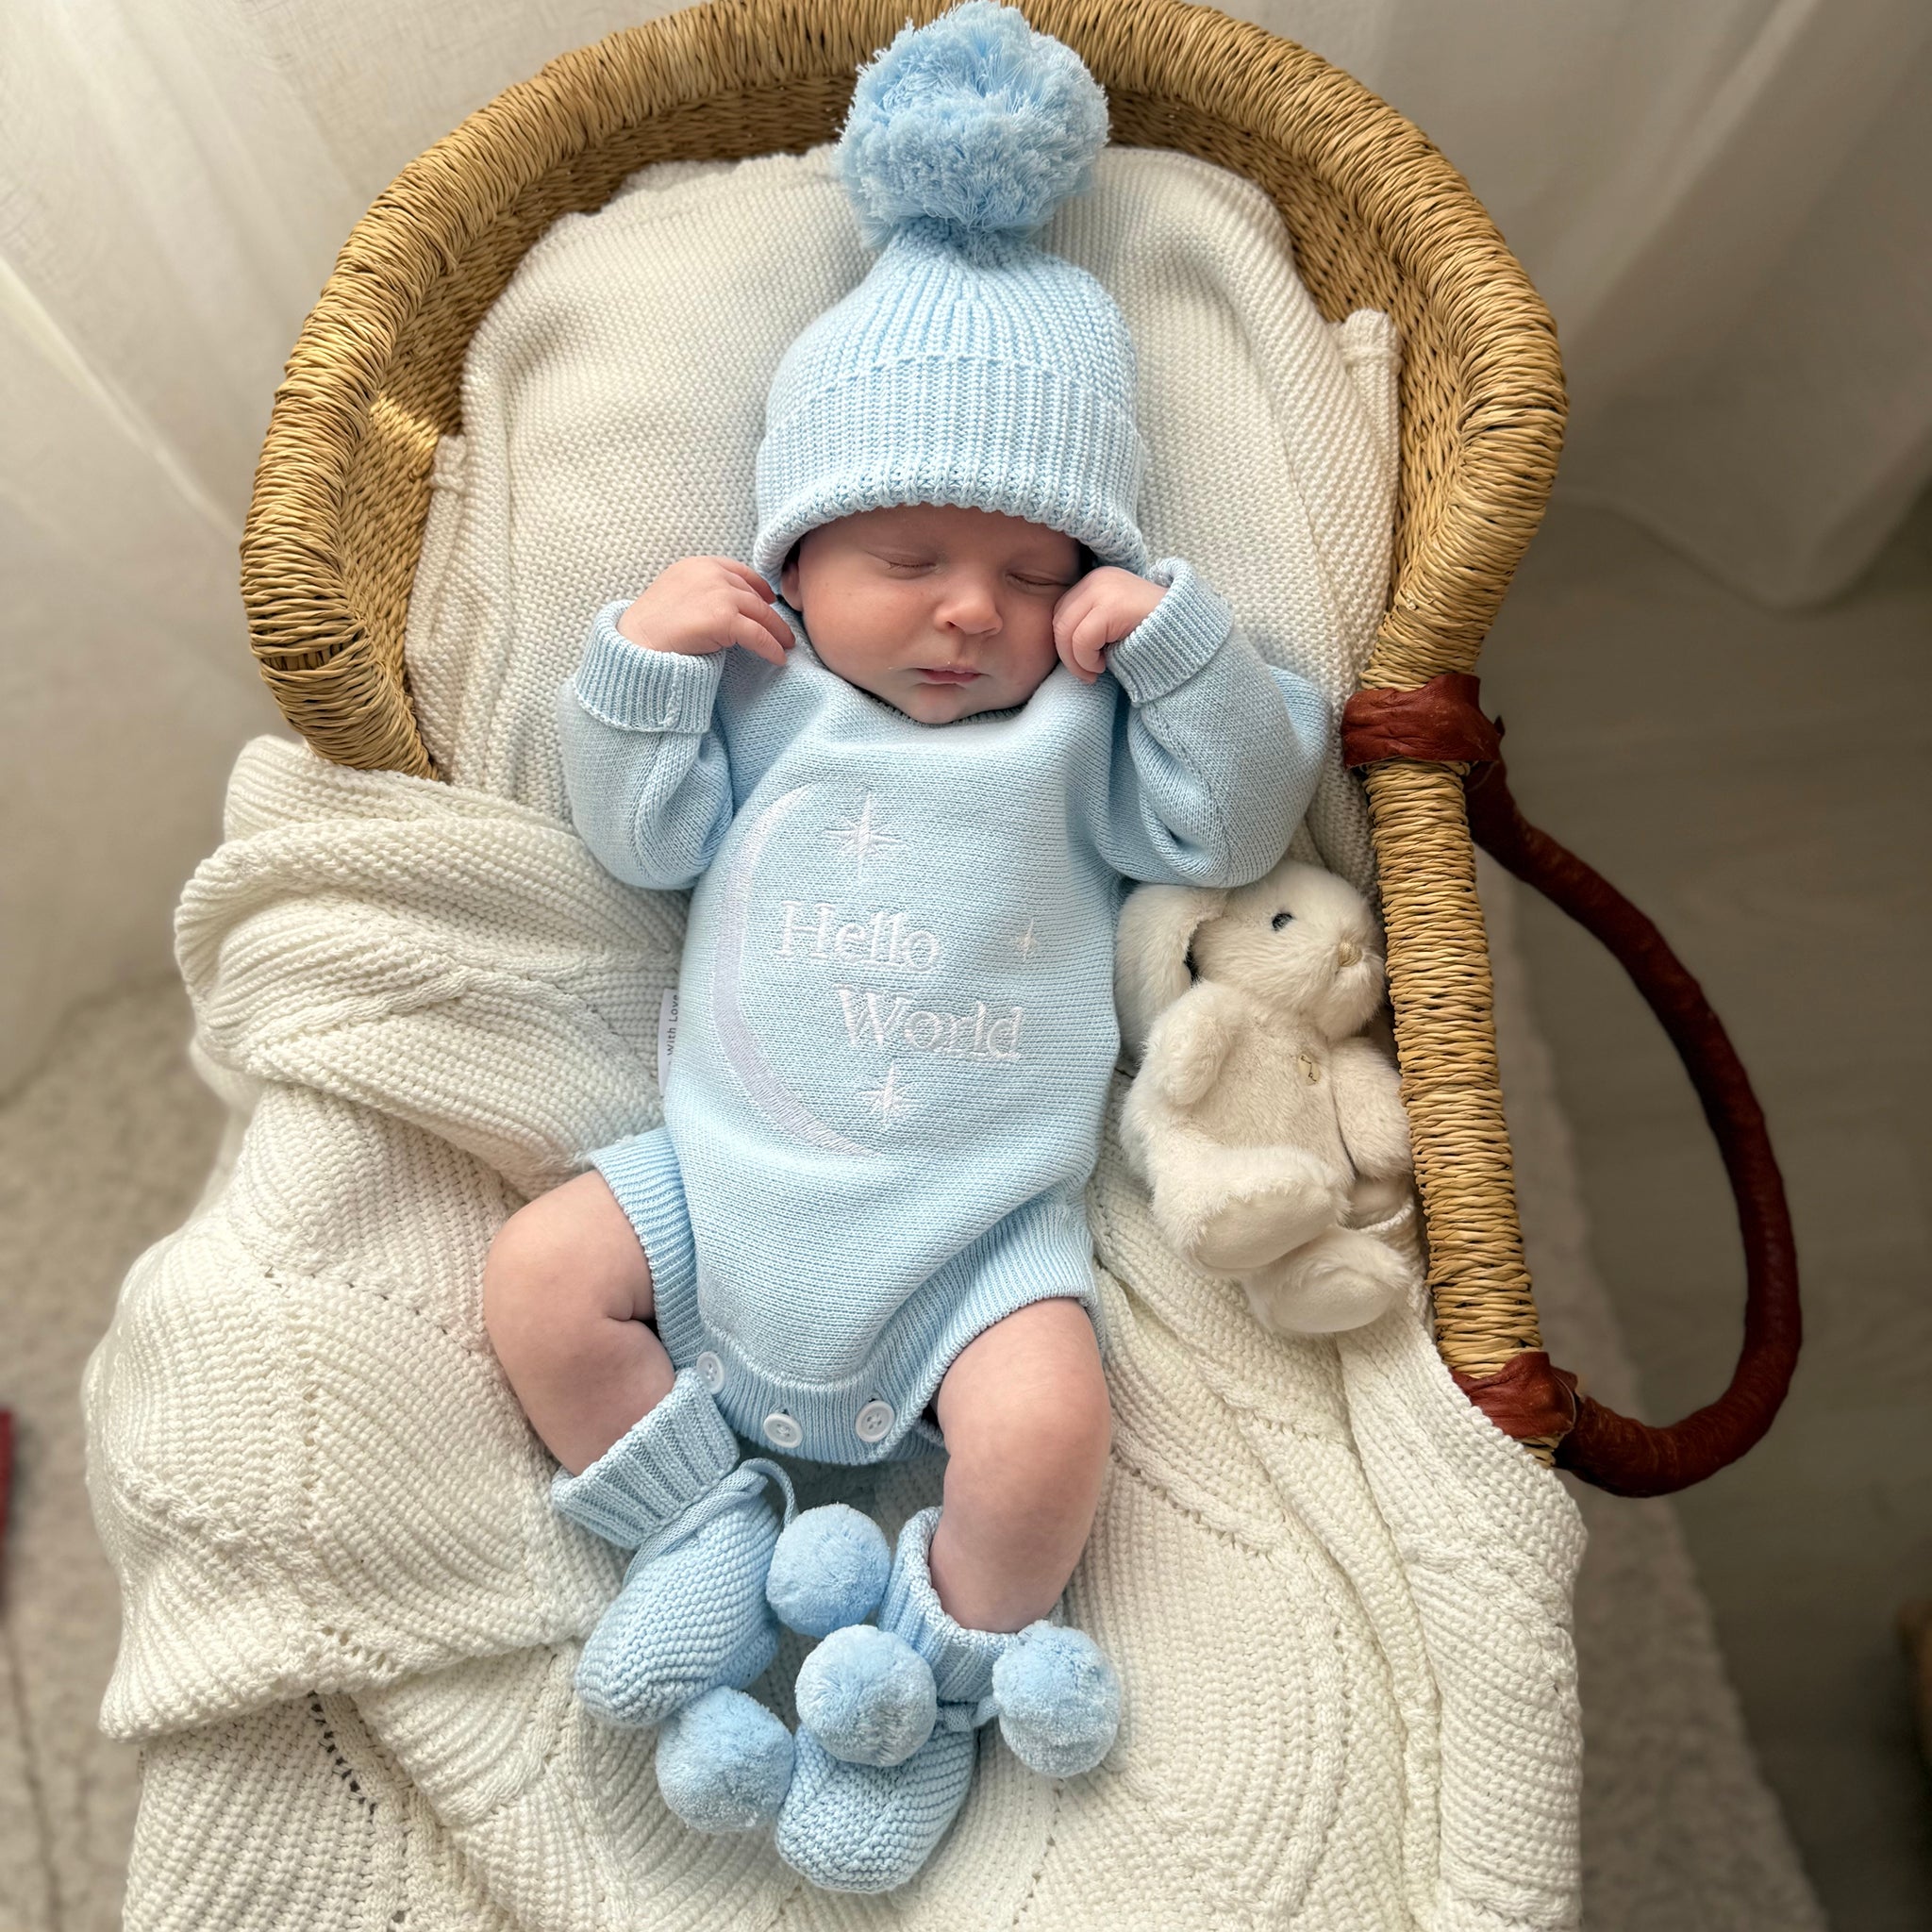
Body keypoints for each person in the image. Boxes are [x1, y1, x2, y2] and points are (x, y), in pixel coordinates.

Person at [480, 0, 1328, 1893]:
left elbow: (1235, 824)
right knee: (543, 1279)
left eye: (1031, 572)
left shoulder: (1081, 731)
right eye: (908, 560)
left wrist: (1171, 649)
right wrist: (640, 667)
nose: (967, 615)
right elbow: (635, 837)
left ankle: (932, 1676)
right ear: (795, 559)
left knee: (1043, 1435)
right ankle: (697, 1532)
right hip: (719, 1178)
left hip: (972, 1231)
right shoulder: (759, 693)